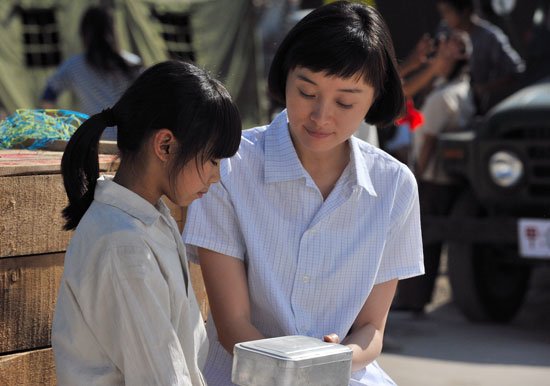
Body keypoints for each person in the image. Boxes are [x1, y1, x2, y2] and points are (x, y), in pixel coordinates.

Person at [183, 2, 424, 385]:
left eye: (345, 101)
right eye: (307, 91)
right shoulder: (230, 166)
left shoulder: (394, 186)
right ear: (285, 77)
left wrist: (339, 357)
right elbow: (232, 328)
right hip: (243, 375)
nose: (321, 115)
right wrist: (300, 371)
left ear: (375, 98)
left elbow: (371, 330)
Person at [52, 60, 242, 385]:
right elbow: (161, 378)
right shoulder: (124, 247)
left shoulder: (147, 220)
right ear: (165, 145)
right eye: (212, 159)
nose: (216, 176)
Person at [393, 32, 476, 313]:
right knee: (427, 241)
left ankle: (411, 300)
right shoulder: (460, 90)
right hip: (443, 178)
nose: (441, 51)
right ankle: (416, 299)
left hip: (430, 178)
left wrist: (415, 178)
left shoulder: (444, 96)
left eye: (448, 49)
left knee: (420, 240)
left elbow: (428, 140)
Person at [41, 6, 142, 140]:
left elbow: (48, 95)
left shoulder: (74, 65)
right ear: (113, 31)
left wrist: (54, 128)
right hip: (129, 139)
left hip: (93, 139)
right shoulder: (132, 63)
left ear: (84, 33)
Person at [435, 0, 524, 114]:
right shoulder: (444, 31)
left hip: (476, 108)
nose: (444, 17)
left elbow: (516, 71)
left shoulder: (489, 37)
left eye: (448, 12)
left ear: (465, 11)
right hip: (446, 103)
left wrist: (482, 89)